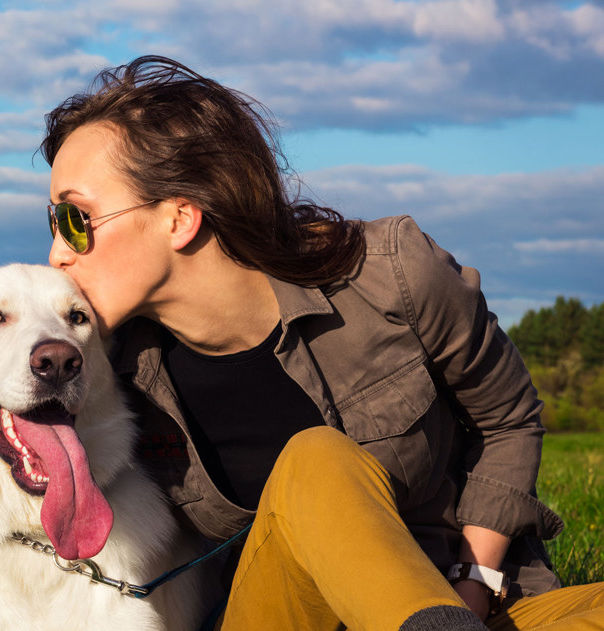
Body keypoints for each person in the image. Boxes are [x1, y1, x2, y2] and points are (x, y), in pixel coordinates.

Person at [38, 56, 604, 630]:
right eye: (53, 223)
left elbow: (507, 418)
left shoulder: (390, 276)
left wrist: (474, 584)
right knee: (317, 460)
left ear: (180, 217)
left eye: (76, 218)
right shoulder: (112, 375)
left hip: (454, 606)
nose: (58, 252)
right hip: (281, 616)